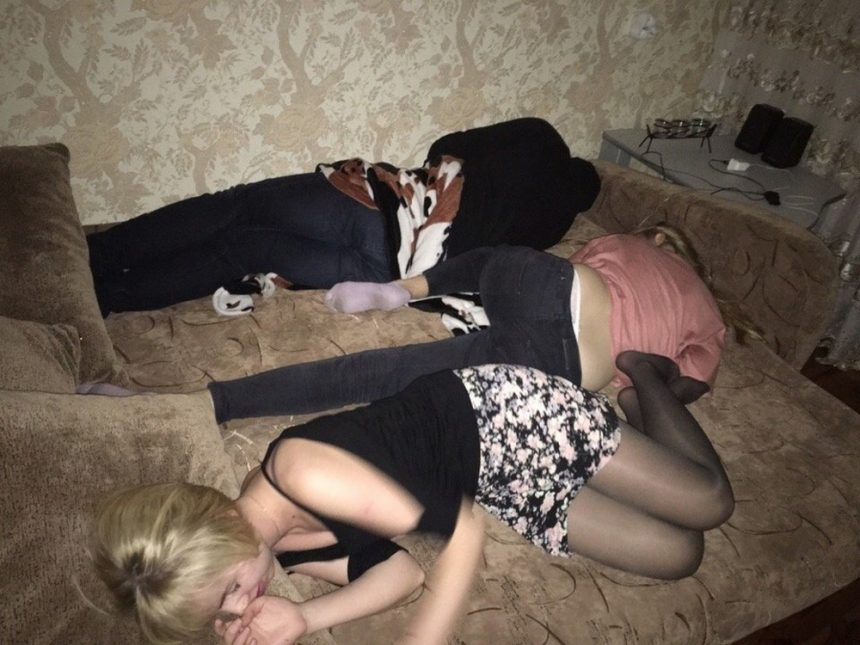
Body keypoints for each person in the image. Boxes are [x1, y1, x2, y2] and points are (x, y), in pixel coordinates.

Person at [91, 352, 735, 645]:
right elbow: (400, 572)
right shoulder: (276, 553)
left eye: (230, 590)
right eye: (223, 614)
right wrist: (304, 619)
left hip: (499, 415)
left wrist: (422, 638)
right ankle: (641, 419)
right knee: (680, 554)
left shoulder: (300, 472)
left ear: (222, 532)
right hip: (490, 482)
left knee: (711, 504)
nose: (241, 607)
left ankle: (645, 378)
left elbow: (460, 535)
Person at [206, 223, 759, 423]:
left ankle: (401, 290)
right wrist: (637, 383)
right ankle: (221, 404)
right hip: (565, 364)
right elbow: (686, 389)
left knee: (496, 261)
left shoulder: (631, 243)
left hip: (540, 287)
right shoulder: (711, 323)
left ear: (660, 241)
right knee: (386, 373)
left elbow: (567, 272)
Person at [88, 117, 600, 316]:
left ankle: (98, 254)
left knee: (234, 206)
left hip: (377, 210)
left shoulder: (540, 136)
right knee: (241, 250)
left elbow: (446, 147)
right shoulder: (553, 225)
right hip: (389, 272)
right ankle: (110, 297)